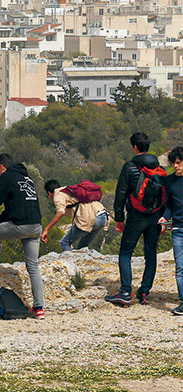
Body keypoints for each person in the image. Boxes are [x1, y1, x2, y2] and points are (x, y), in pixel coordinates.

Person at [0, 154, 45, 319]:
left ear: (1, 166)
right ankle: (39, 308)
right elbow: (15, 206)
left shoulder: (7, 178)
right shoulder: (27, 179)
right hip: (36, 226)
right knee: (33, 266)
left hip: (20, 225)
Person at [106, 132, 165, 307]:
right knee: (150, 254)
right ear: (148, 146)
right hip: (154, 216)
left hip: (136, 217)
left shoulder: (130, 166)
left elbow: (121, 194)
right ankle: (145, 292)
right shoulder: (157, 166)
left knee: (125, 252)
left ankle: (125, 292)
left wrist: (119, 218)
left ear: (135, 147)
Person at [41, 180, 107, 252]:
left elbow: (61, 212)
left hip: (91, 218)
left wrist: (46, 229)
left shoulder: (58, 195)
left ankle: (72, 261)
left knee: (64, 243)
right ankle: (82, 261)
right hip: (103, 216)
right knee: (81, 247)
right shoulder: (69, 190)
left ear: (49, 193)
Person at [163, 147, 183, 315]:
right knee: (180, 268)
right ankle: (182, 302)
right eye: (173, 163)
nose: (175, 166)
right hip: (177, 229)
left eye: (179, 163)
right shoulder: (169, 182)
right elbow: (169, 205)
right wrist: (164, 217)